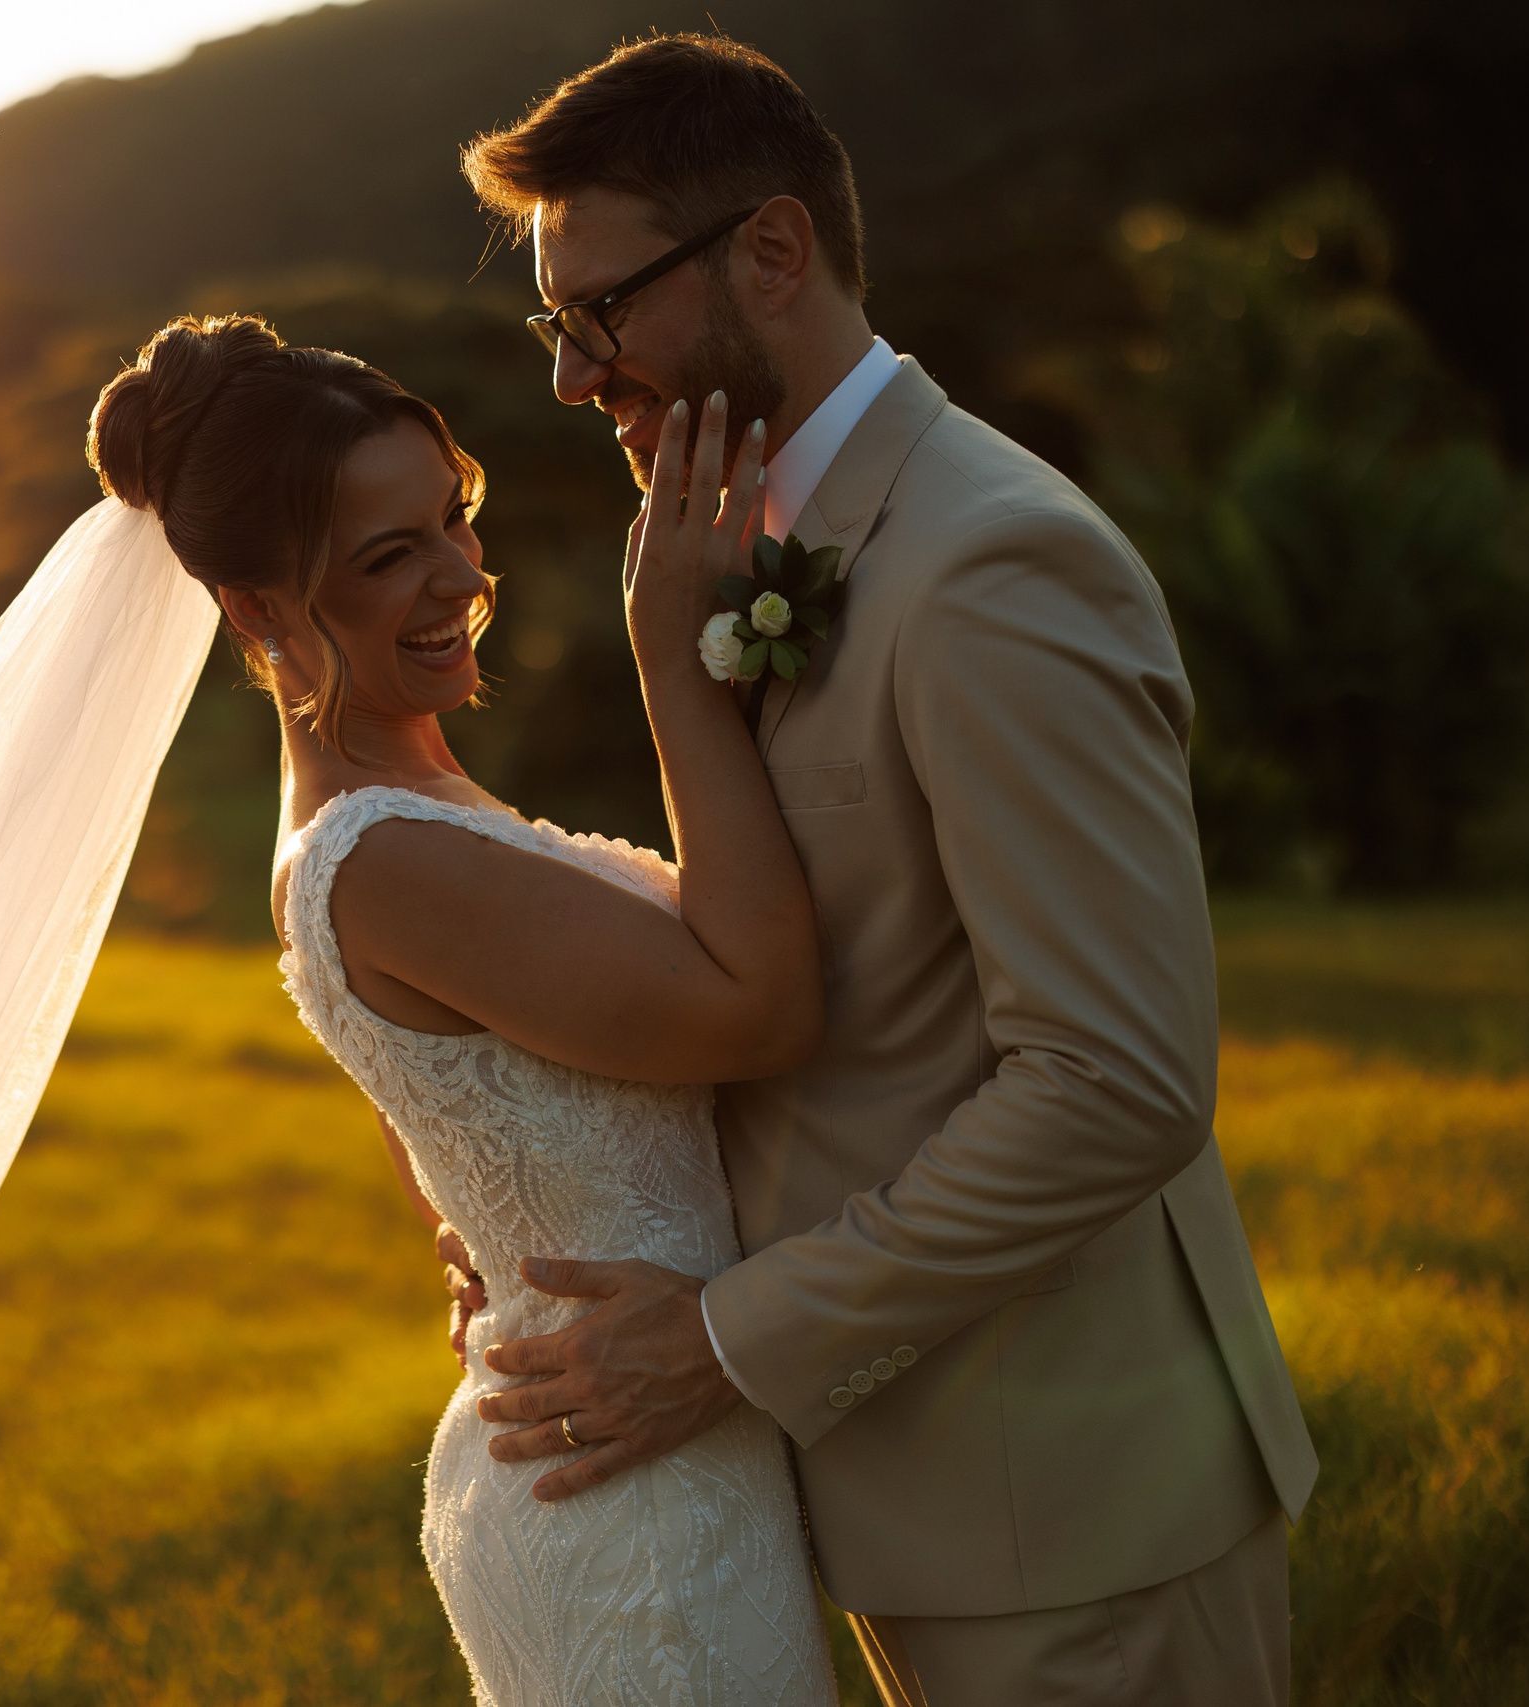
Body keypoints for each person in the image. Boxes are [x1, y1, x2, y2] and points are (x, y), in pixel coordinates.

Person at [445, 35, 1320, 1707]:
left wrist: (720, 1341)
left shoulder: (993, 562)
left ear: (772, 252)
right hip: (920, 1493)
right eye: (555, 326)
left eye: (601, 314)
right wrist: (544, 1195)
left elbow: (1113, 1082)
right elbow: (824, 1005)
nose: (572, 378)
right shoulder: (751, 543)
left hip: (1077, 1525)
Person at [88, 310, 839, 1706]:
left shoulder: (396, 814)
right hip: (644, 1527)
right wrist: (671, 659)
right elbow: (766, 1012)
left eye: (451, 517)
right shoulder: (383, 852)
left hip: (644, 1462)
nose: (460, 577)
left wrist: (488, 1243)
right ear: (257, 611)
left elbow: (425, 1104)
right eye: (389, 559)